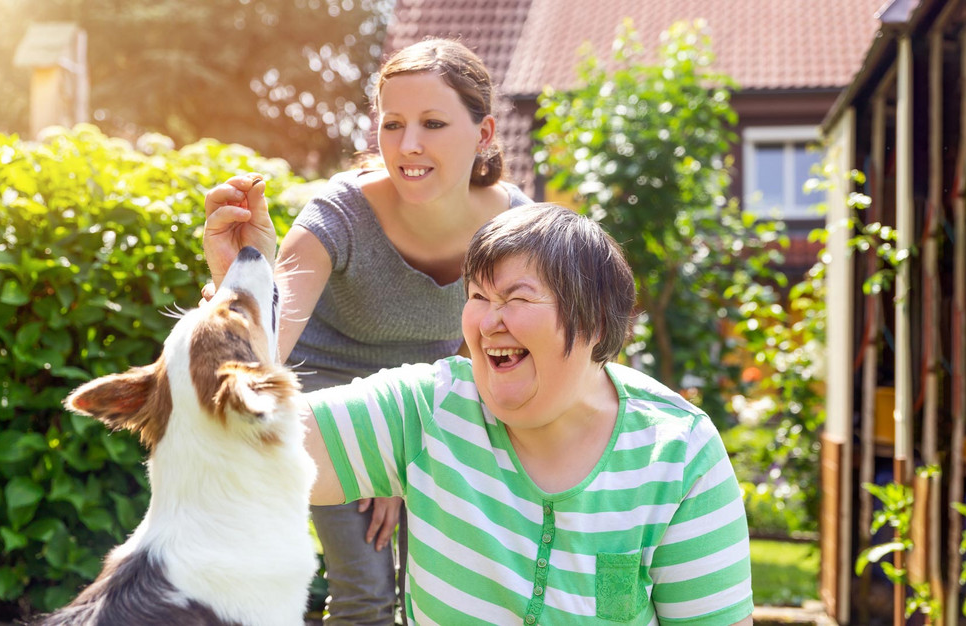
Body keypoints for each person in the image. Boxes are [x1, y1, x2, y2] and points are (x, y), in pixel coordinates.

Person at [203, 38, 533, 624]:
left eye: (433, 123)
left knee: (454, 593)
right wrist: (235, 278)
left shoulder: (513, 225)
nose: (408, 146)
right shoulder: (339, 214)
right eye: (393, 124)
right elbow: (267, 345)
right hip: (324, 393)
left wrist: (411, 447)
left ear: (483, 134)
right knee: (368, 591)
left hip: (435, 397)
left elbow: (491, 346)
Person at [298, 204, 755, 625]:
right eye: (478, 296)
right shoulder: (429, 407)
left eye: (517, 299)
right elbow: (257, 445)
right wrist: (244, 286)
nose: (489, 321)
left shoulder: (678, 452)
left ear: (594, 321)